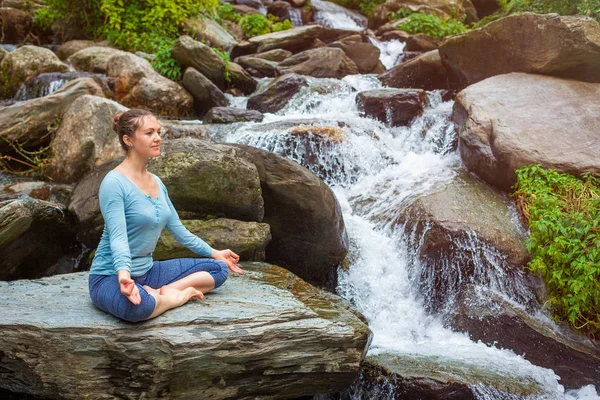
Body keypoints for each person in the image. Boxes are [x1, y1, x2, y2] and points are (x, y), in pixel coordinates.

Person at [88, 109, 243, 322]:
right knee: (138, 308)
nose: (158, 138)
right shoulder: (114, 183)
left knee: (219, 269)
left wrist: (216, 253)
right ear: (128, 140)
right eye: (149, 133)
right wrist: (124, 275)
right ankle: (177, 297)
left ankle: (161, 291)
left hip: (148, 272)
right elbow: (118, 237)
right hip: (110, 277)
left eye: (158, 132)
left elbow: (179, 231)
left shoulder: (157, 183)